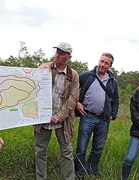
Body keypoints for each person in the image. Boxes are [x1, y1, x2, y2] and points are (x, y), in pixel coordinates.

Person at [33, 42, 79, 180]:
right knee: (40, 151)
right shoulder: (46, 68)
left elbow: (73, 98)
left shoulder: (74, 75)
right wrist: (38, 70)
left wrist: (58, 116)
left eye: (61, 53)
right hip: (43, 119)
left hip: (63, 121)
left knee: (66, 152)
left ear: (69, 57)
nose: (57, 55)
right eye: (57, 52)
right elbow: (33, 86)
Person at [74, 52, 120, 179]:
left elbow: (116, 99)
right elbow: (72, 89)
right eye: (102, 61)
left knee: (98, 149)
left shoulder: (112, 81)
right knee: (81, 147)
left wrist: (113, 115)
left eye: (106, 63)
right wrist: (77, 103)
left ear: (110, 66)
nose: (103, 65)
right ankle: (79, 173)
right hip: (87, 116)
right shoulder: (86, 76)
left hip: (104, 120)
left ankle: (92, 172)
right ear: (98, 61)